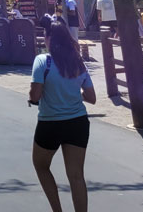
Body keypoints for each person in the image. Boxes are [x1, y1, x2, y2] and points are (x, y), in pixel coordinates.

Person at [29, 16, 95, 212]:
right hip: (78, 123)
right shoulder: (77, 62)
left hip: (51, 124)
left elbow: (35, 95)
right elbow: (91, 97)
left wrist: (33, 99)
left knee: (41, 166)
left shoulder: (42, 61)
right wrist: (70, 92)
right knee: (76, 175)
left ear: (49, 38)